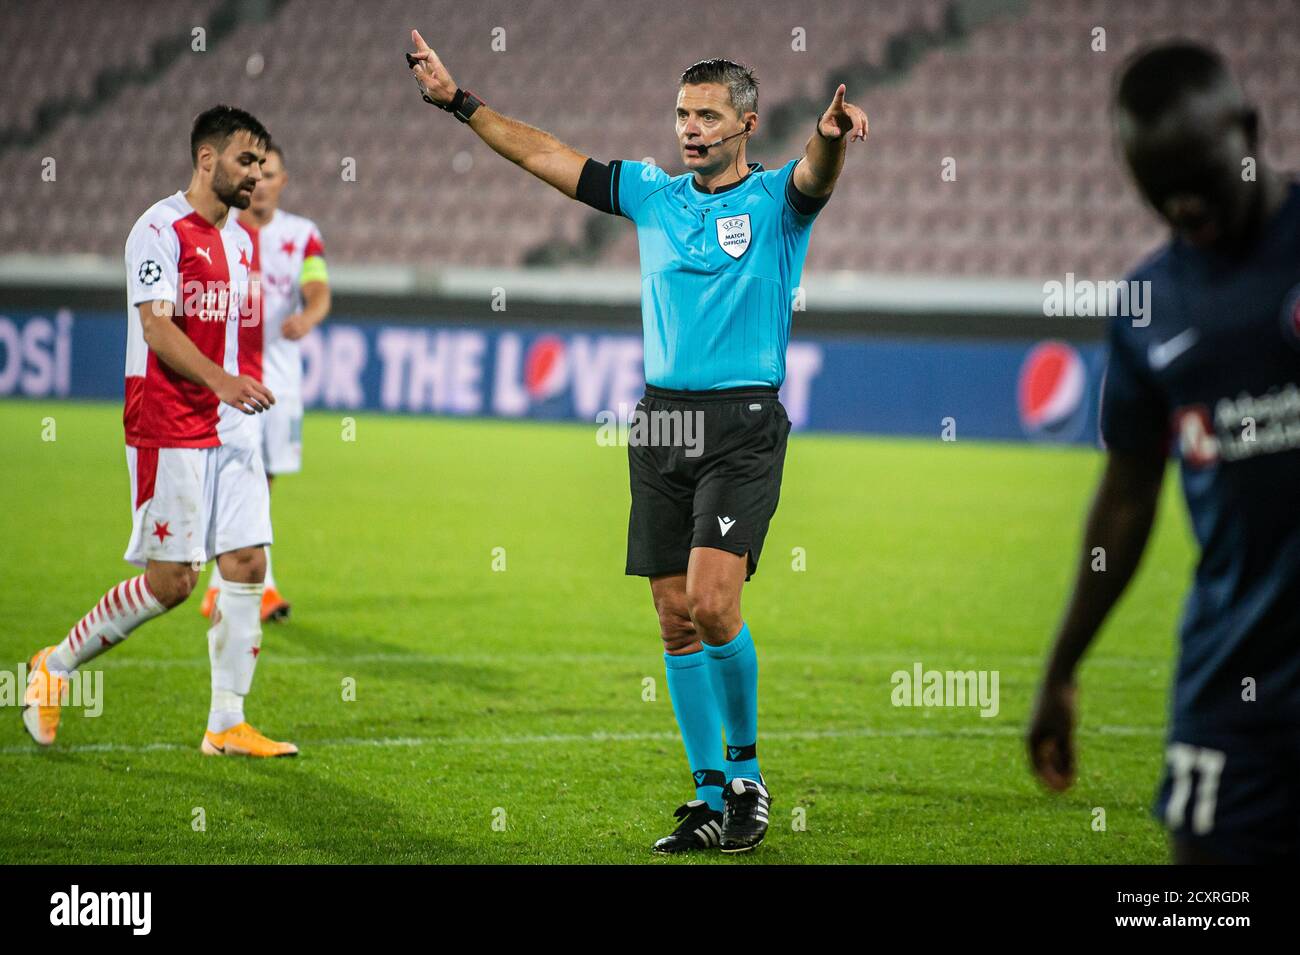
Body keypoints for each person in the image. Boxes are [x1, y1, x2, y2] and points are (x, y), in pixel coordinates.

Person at [406, 28, 866, 852]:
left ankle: (749, 776)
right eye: (682, 113)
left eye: (707, 116)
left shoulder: (773, 206)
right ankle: (704, 792)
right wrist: (460, 103)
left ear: (746, 124)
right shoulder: (653, 194)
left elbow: (813, 174)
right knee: (672, 614)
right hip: (660, 420)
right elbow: (549, 156)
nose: (689, 128)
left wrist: (829, 140)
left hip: (741, 424)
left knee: (715, 602)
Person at [1028, 42, 1300, 863]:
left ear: (1249, 130)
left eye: (1197, 174)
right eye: (1158, 187)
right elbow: (1127, 496)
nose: (1183, 206)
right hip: (1233, 694)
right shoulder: (1150, 309)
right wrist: (1062, 667)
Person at [22, 105, 299, 758]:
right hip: (167, 415)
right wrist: (221, 381)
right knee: (172, 582)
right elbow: (156, 327)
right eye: (245, 160)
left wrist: (243, 387)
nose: (256, 174)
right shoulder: (158, 229)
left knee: (248, 559)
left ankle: (226, 722)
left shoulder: (241, 240)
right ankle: (53, 666)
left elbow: (230, 332)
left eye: (262, 163)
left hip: (229, 420)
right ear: (208, 160)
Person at [200, 140, 331, 623]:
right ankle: (244, 585)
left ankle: (236, 582)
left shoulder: (302, 234)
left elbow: (317, 290)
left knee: (264, 477)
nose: (261, 184)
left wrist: (309, 317)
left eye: (270, 174)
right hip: (233, 374)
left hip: (280, 378)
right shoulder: (222, 231)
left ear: (282, 181)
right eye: (254, 174)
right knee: (241, 475)